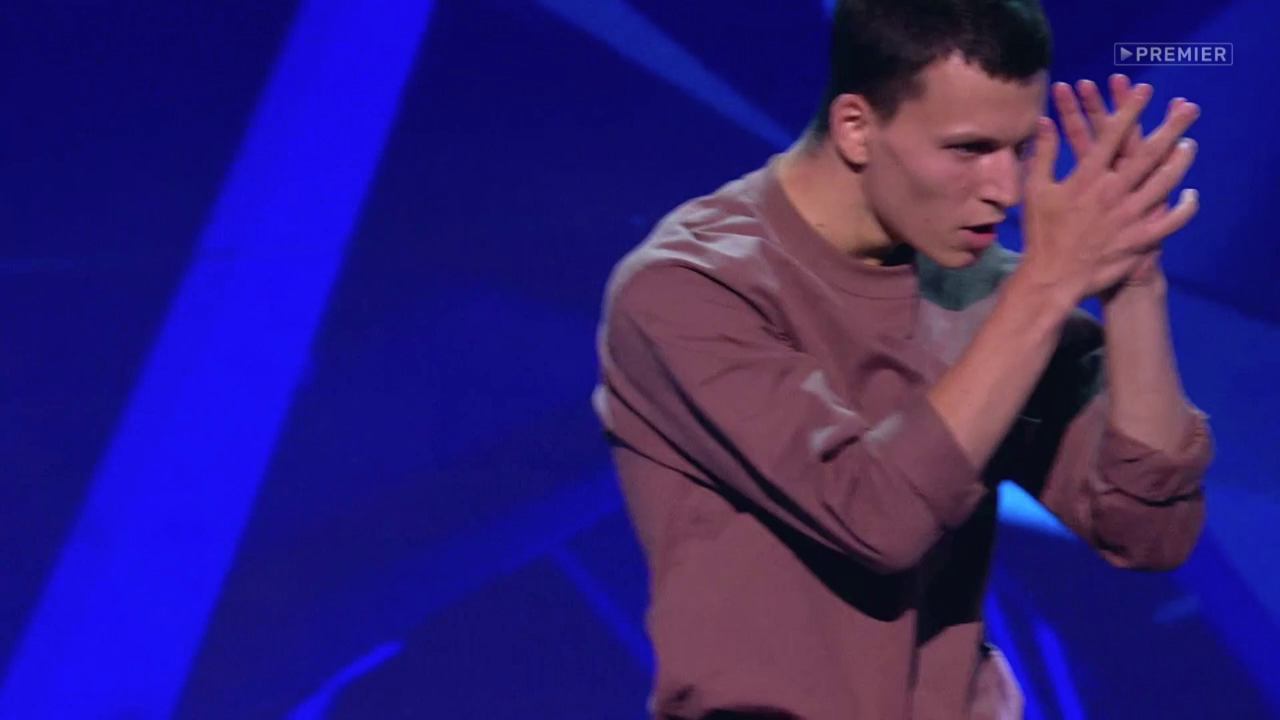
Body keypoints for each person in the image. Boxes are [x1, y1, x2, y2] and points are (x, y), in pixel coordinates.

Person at [590, 0, 1214, 717]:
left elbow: (1149, 530)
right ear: (856, 127)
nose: (1006, 192)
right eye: (969, 149)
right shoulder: (686, 289)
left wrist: (1135, 286)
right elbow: (872, 517)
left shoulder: (996, 296)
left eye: (1019, 150)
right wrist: (1047, 286)